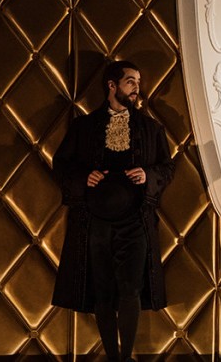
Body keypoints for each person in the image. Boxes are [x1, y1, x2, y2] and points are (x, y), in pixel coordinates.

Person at [52, 60, 175, 361]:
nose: (136, 88)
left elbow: (167, 167)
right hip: (94, 224)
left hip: (135, 222)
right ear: (111, 85)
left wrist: (148, 175)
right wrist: (84, 177)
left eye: (138, 82)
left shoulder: (151, 128)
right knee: (103, 292)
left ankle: (126, 357)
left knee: (131, 290)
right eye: (130, 81)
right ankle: (112, 356)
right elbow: (61, 164)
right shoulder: (83, 127)